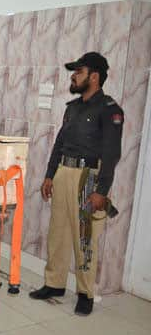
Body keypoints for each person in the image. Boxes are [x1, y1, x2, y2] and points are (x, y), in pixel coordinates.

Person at [29, 52, 124, 316]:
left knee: (85, 240)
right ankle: (54, 283)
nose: (73, 76)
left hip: (88, 178)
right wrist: (49, 175)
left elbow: (112, 154)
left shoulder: (110, 110)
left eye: (78, 72)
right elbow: (59, 144)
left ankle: (85, 293)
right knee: (57, 234)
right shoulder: (72, 107)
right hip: (64, 172)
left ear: (94, 77)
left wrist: (101, 191)